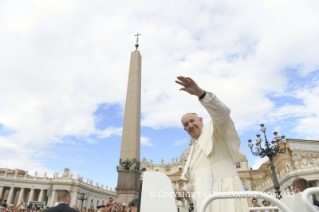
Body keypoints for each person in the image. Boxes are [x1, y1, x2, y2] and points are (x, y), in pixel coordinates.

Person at [175, 76, 248, 212]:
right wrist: (185, 190)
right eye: (186, 124)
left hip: (224, 192)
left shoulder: (216, 131)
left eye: (192, 121)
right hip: (204, 198)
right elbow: (198, 177)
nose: (190, 125)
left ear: (201, 120)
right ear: (185, 129)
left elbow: (222, 113)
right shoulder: (193, 151)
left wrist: (201, 94)